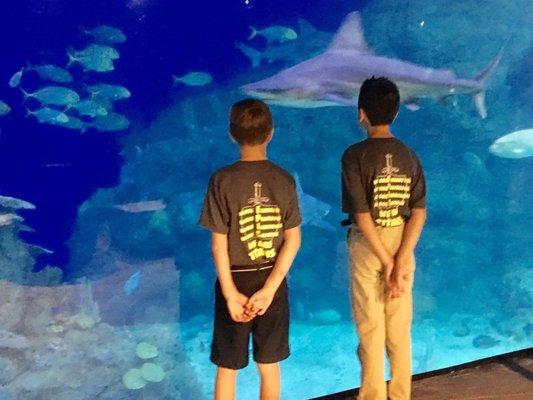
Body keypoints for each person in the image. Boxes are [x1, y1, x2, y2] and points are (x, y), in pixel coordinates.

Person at [199, 98, 301, 400]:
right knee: (269, 365)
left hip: (235, 279)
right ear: (271, 133)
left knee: (227, 367)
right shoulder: (284, 180)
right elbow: (293, 239)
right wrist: (270, 288)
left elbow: (218, 244)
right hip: (272, 280)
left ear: (231, 134)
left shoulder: (222, 180)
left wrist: (230, 294)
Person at [341, 77, 427, 400]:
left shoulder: (354, 156)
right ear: (396, 113)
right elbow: (418, 211)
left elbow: (362, 215)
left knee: (371, 327)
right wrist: (401, 259)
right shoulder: (409, 155)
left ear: (361, 112)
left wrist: (387, 260)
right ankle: (401, 394)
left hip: (368, 244)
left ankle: (373, 396)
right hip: (402, 241)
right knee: (399, 328)